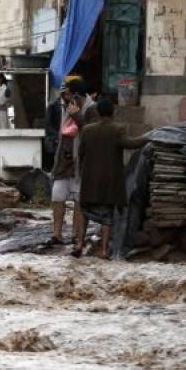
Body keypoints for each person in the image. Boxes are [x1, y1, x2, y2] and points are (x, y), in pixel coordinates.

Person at [75, 98, 148, 259]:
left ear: (98, 112)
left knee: (84, 211)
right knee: (107, 216)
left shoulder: (87, 130)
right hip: (109, 180)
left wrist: (81, 172)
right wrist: (148, 138)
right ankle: (103, 251)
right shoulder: (117, 129)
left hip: (90, 179)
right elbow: (130, 143)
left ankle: (79, 244)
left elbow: (81, 153)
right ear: (112, 112)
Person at [50, 94, 87, 245]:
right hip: (62, 168)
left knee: (79, 202)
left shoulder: (83, 120)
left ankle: (75, 234)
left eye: (73, 104)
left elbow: (84, 129)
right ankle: (56, 233)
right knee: (57, 198)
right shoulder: (64, 120)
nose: (69, 107)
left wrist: (77, 115)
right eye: (69, 104)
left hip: (77, 169)